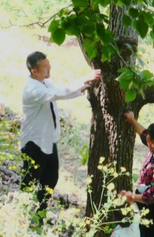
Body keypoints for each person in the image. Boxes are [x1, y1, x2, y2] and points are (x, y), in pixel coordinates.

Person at [20, 51, 101, 226]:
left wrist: (83, 86)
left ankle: (40, 214)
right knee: (30, 179)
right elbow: (59, 93)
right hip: (34, 142)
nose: (49, 68)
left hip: (48, 139)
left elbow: (61, 91)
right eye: (45, 67)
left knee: (50, 179)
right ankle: (22, 215)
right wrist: (83, 78)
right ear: (34, 71)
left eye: (49, 64)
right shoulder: (32, 89)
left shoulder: (45, 83)